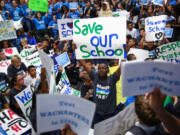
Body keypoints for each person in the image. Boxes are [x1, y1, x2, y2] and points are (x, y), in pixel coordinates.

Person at [80, 59, 120, 126]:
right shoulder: (95, 77)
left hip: (109, 114)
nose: (101, 70)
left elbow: (121, 68)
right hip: (97, 114)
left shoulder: (112, 79)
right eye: (99, 68)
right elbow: (84, 64)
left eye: (103, 68)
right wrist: (78, 52)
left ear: (108, 70)